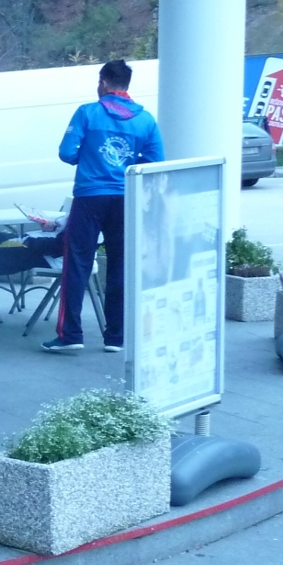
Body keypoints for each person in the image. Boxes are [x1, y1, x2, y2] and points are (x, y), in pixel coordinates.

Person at [43, 60, 164, 353]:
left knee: (77, 263)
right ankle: (116, 337)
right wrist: (127, 163)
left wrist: (87, 157)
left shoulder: (87, 113)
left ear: (104, 82)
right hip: (125, 198)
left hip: (89, 197)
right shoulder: (145, 120)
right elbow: (155, 161)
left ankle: (71, 335)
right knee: (121, 264)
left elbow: (66, 152)